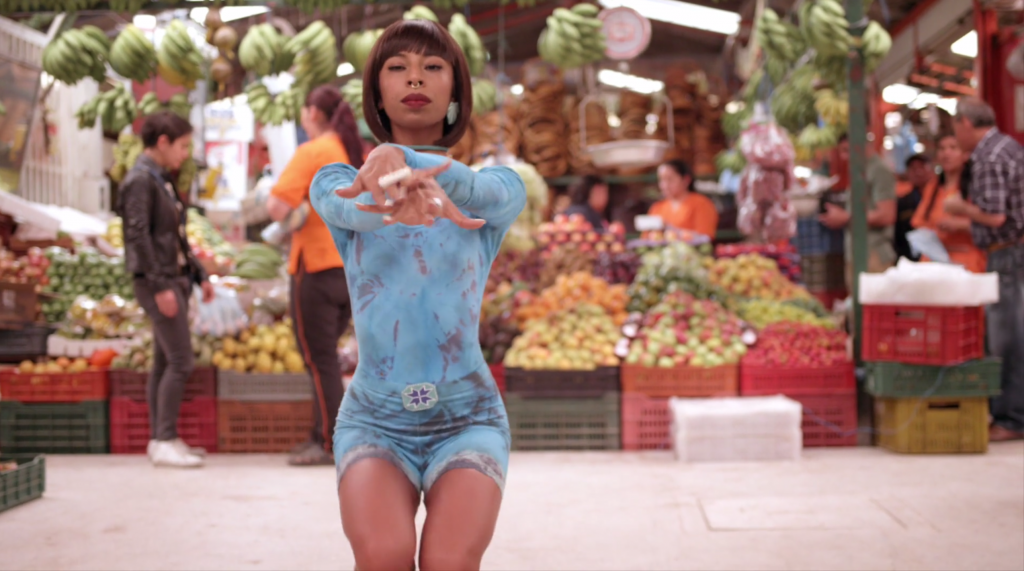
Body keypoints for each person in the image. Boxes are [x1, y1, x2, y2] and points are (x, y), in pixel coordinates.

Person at [309, 19, 526, 570]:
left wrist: (413, 165)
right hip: (375, 420)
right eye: (397, 67)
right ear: (377, 93)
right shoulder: (336, 180)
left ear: (455, 92)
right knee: (384, 555)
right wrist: (383, 175)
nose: (416, 77)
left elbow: (484, 193)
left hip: (469, 418)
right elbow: (346, 205)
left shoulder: (495, 188)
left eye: (433, 67)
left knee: (449, 562)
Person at [265, 86, 366, 466]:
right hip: (351, 268)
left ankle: (329, 441)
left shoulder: (313, 152)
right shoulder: (355, 152)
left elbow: (276, 206)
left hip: (316, 270)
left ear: (311, 114)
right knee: (326, 360)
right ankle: (319, 432)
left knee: (318, 359)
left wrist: (302, 207)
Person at [119, 111, 214, 468]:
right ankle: (163, 438)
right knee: (180, 360)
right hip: (157, 282)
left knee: (163, 360)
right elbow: (137, 236)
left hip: (172, 278)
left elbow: (174, 236)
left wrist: (199, 273)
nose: (185, 154)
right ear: (162, 142)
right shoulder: (140, 181)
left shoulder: (161, 179)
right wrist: (159, 285)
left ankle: (163, 438)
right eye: (183, 145)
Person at [947, 96, 1024, 442]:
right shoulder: (1007, 147)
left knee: (1007, 338)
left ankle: (1010, 419)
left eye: (954, 130)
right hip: (1013, 253)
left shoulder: (988, 157)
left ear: (965, 123)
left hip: (1007, 255)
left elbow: (996, 216)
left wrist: (961, 208)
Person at [819, 133, 897, 289]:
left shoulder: (879, 170)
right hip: (858, 254)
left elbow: (887, 215)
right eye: (841, 151)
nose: (843, 156)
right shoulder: (860, 172)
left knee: (872, 306)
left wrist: (845, 218)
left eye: (847, 150)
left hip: (873, 254)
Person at [910, 134, 986, 272]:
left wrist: (960, 224)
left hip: (968, 261)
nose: (947, 153)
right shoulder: (933, 187)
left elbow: (991, 222)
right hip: (934, 261)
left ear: (965, 154)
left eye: (953, 148)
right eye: (942, 148)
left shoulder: (976, 186)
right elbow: (919, 221)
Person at [648, 159, 719, 238]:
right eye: (661, 180)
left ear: (686, 180)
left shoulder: (702, 203)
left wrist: (671, 230)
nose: (665, 185)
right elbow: (646, 239)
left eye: (670, 179)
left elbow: (705, 236)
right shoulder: (657, 208)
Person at [895, 153, 930, 261]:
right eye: (913, 168)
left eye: (921, 167)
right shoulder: (902, 202)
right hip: (909, 259)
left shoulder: (939, 197)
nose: (918, 172)